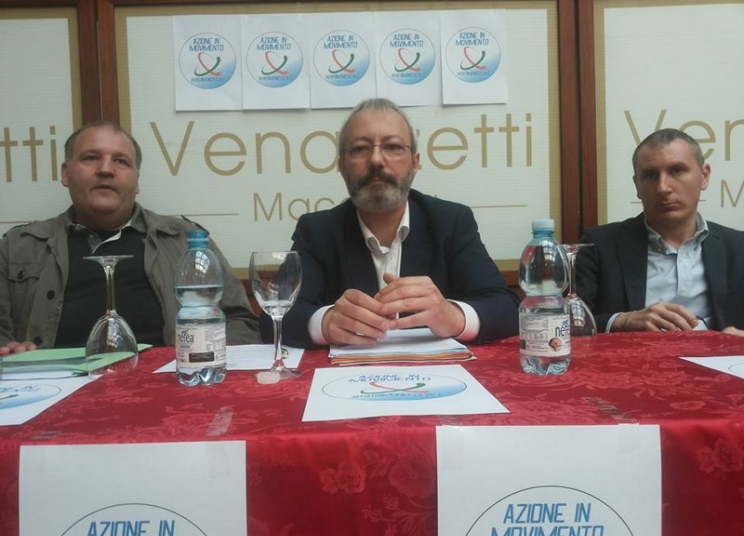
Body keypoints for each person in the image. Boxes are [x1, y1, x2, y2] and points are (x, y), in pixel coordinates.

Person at [266, 98, 520, 348]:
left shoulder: (451, 222)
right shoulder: (317, 231)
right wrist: (325, 323)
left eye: (393, 146)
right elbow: (272, 320)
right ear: (342, 166)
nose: (376, 160)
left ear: (415, 163)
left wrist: (453, 316)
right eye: (360, 148)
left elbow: (505, 306)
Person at [0, 121, 260, 355]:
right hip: (51, 387)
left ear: (136, 181)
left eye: (121, 161)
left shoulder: (186, 242)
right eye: (91, 158)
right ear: (65, 173)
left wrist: (202, 352)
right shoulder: (17, 247)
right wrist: (10, 352)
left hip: (168, 384)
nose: (105, 169)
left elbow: (241, 323)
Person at [576, 128, 744, 335]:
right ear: (637, 185)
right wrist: (624, 321)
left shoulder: (738, 246)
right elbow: (566, 321)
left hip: (717, 354)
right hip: (635, 354)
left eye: (676, 171)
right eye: (650, 175)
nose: (663, 187)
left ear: (704, 176)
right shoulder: (599, 245)